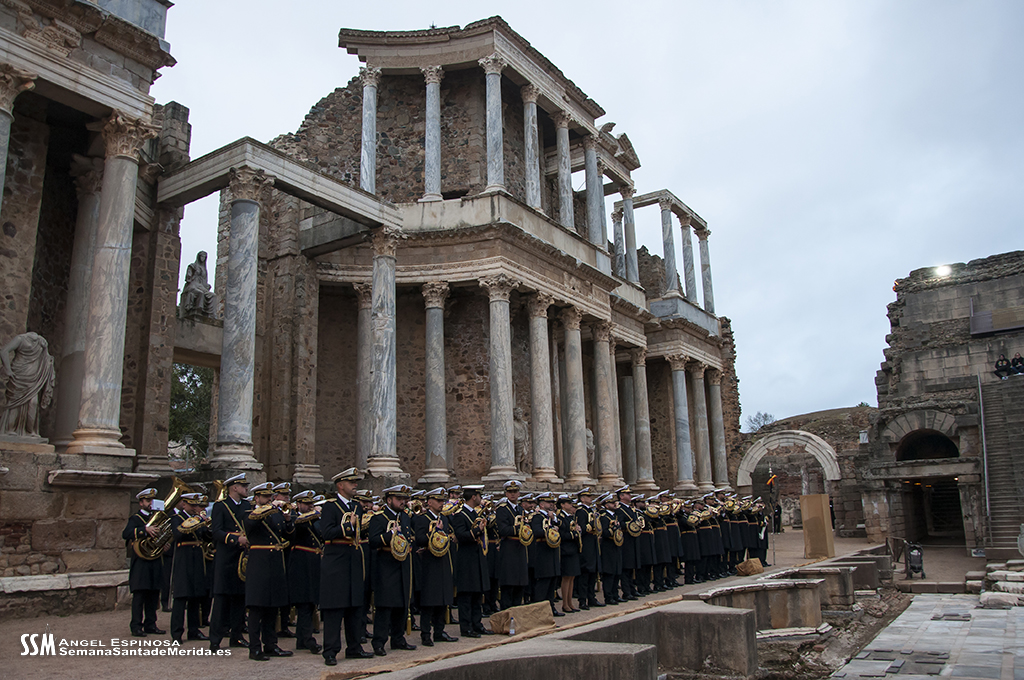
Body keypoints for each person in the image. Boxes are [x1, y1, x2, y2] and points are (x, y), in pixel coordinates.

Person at [319, 468, 372, 666]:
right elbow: (326, 533)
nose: (355, 485)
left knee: (355, 608)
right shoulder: (330, 507)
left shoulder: (357, 506)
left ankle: (354, 647)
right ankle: (330, 651)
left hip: (353, 561)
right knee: (334, 609)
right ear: (340, 485)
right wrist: (348, 526)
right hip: (336, 562)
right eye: (351, 483)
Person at [243, 482, 294, 661]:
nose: (268, 499)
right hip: (259, 563)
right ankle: (255, 648)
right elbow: (250, 525)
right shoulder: (250, 513)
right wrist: (269, 508)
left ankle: (271, 644)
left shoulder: (276, 514)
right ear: (256, 498)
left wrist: (287, 519)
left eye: (269, 497)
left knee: (273, 607)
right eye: (264, 497)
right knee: (257, 608)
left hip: (275, 563)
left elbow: (288, 534)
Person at [368, 484, 417, 656]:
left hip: (402, 564)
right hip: (386, 565)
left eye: (404, 499)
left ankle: (398, 638)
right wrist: (390, 535)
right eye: (399, 499)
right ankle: (379, 642)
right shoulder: (379, 518)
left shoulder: (405, 517)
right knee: (385, 606)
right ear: (389, 500)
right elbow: (373, 541)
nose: (403, 502)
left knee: (401, 605)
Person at [209, 473, 250, 651]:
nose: (246, 489)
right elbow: (216, 531)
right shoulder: (221, 506)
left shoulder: (247, 506)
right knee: (221, 600)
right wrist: (235, 539)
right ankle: (215, 640)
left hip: (242, 557)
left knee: (239, 600)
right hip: (226, 557)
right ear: (234, 487)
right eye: (243, 486)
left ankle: (237, 636)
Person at [413, 487, 458, 646]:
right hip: (429, 562)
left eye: (442, 501)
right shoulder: (423, 519)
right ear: (429, 502)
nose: (441, 503)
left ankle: (439, 631)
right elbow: (419, 539)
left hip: (443, 560)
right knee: (429, 599)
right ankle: (426, 634)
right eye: (438, 501)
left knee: (442, 598)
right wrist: (435, 532)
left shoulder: (444, 518)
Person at [122, 488, 167, 637]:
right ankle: (136, 626)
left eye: (152, 500)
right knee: (140, 595)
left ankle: (151, 624)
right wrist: (144, 530)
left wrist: (164, 543)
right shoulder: (135, 518)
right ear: (141, 503)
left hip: (154, 560)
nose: (150, 503)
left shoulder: (158, 517)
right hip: (141, 562)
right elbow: (126, 534)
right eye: (148, 501)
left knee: (153, 594)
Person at [450, 485, 493, 638]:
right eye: (479, 496)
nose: (481, 499)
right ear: (474, 497)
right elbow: (461, 535)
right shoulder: (460, 515)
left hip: (477, 558)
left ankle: (477, 624)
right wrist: (477, 530)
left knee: (477, 595)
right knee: (466, 596)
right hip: (466, 560)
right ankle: (466, 627)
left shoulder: (475, 514)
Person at [169, 492, 211, 644]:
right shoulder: (177, 518)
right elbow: (178, 534)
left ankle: (194, 630)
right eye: (192, 505)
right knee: (181, 597)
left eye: (196, 505)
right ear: (184, 504)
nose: (195, 508)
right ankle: (176, 633)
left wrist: (207, 526)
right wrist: (195, 522)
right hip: (184, 558)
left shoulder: (198, 519)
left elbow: (206, 536)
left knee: (196, 596)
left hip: (197, 557)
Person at [0, 331, 54, 437]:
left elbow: (47, 359)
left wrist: (45, 349)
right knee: (15, 403)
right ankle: (10, 429)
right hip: (19, 375)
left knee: (33, 403)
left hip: (33, 378)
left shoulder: (41, 342)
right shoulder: (20, 339)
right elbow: (4, 351)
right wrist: (8, 369)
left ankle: (30, 431)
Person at [288, 490, 322, 654]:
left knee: (309, 603)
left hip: (313, 563)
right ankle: (308, 639)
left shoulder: (313, 520)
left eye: (311, 504)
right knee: (304, 601)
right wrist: (314, 514)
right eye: (307, 504)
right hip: (300, 563)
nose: (310, 506)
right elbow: (296, 528)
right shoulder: (295, 519)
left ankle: (302, 639)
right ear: (298, 504)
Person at [495, 480, 530, 610]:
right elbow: (503, 529)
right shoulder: (502, 510)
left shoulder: (520, 509)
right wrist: (519, 529)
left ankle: (516, 614)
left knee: (519, 585)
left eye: (515, 492)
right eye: (510, 492)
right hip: (509, 549)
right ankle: (506, 614)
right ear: (506, 494)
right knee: (508, 585)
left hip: (520, 549)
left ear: (519, 493)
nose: (513, 494)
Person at [530, 492, 563, 617]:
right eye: (549, 503)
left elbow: (561, 526)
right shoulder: (537, 517)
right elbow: (536, 532)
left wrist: (553, 520)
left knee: (552, 583)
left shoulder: (552, 517)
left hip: (552, 553)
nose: (552, 505)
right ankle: (539, 611)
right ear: (542, 504)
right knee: (543, 584)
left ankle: (550, 607)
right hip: (542, 553)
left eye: (552, 503)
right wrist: (549, 530)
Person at [574, 488, 603, 610]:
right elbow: (581, 528)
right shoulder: (581, 511)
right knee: (585, 574)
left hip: (593, 543)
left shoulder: (591, 510)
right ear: (582, 499)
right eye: (588, 497)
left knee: (592, 574)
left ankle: (591, 597)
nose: (591, 499)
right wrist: (592, 525)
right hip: (586, 544)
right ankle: (582, 600)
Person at [557, 495, 581, 613]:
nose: (571, 505)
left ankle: (570, 602)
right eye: (568, 503)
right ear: (562, 505)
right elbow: (562, 534)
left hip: (573, 549)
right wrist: (574, 534)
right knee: (566, 578)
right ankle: (565, 604)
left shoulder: (571, 517)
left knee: (572, 577)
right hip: (566, 550)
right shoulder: (560, 518)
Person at [599, 494, 623, 605]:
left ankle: (615, 594)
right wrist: (613, 529)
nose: (614, 504)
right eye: (612, 503)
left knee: (617, 572)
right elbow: (604, 532)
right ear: (606, 505)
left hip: (616, 545)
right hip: (608, 546)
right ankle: (608, 596)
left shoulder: (615, 516)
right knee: (609, 573)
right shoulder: (604, 517)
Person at [180, 251, 217, 317]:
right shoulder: (192, 266)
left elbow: (204, 281)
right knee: (200, 293)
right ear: (199, 257)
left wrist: (207, 286)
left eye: (204, 257)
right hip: (193, 285)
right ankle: (198, 310)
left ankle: (210, 314)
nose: (203, 258)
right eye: (202, 256)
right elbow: (188, 277)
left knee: (213, 295)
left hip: (201, 286)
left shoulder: (204, 270)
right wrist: (191, 276)